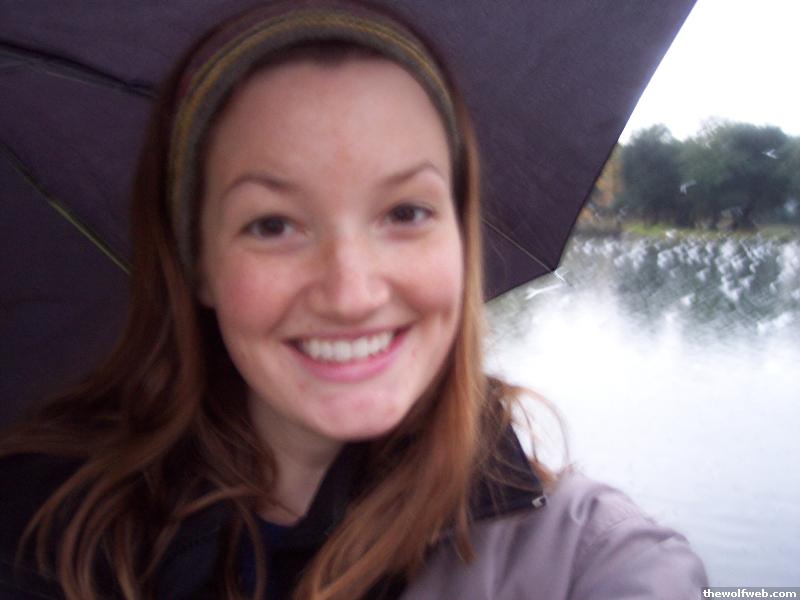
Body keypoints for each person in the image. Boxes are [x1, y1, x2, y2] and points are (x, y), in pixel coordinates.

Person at [0, 2, 708, 599]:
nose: (350, 294)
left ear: (462, 240)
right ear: (199, 264)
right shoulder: (38, 529)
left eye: (406, 212)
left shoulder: (587, 561)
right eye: (272, 225)